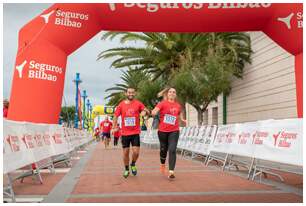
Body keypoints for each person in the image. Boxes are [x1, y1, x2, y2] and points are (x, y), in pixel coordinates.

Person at [112, 87, 150, 178]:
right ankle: (126, 169)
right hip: (125, 133)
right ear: (126, 93)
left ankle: (132, 164)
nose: (131, 94)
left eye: (132, 93)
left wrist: (145, 112)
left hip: (135, 132)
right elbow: (115, 116)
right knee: (125, 153)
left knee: (136, 152)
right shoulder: (121, 105)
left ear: (135, 93)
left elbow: (146, 111)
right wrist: (114, 127)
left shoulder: (138, 103)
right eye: (129, 92)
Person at [151, 87, 186, 179]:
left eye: (174, 92)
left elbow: (179, 113)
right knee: (163, 149)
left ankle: (171, 172)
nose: (172, 93)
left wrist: (182, 119)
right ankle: (162, 163)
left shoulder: (178, 105)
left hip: (174, 131)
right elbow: (154, 111)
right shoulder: (162, 104)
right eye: (170, 92)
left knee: (172, 149)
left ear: (175, 95)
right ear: (167, 94)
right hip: (162, 131)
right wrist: (154, 112)